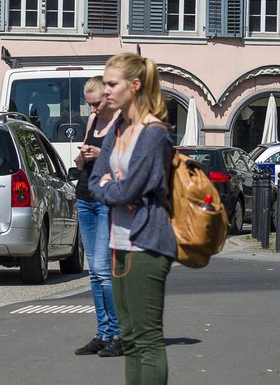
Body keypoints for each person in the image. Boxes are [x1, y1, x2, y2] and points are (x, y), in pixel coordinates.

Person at [89, 52, 178, 385]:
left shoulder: (154, 134)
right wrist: (111, 186)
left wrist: (112, 187)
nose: (106, 90)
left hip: (148, 244)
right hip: (118, 242)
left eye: (112, 84)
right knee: (128, 337)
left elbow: (128, 189)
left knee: (147, 338)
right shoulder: (119, 128)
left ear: (135, 85)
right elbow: (96, 179)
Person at [73, 75, 122, 358]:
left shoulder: (121, 125)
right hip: (85, 197)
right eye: (89, 105)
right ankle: (103, 332)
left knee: (104, 270)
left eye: (96, 104)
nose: (92, 110)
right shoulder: (93, 122)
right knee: (94, 272)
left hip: (106, 201)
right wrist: (83, 156)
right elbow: (80, 163)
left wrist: (101, 153)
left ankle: (118, 333)